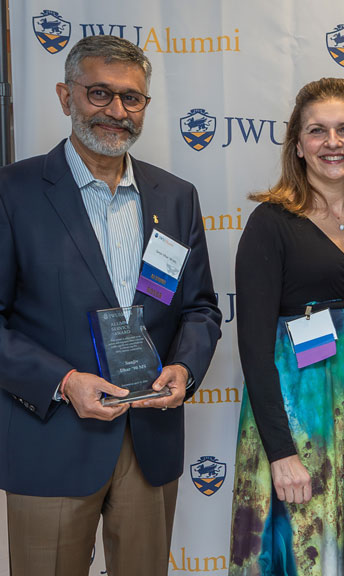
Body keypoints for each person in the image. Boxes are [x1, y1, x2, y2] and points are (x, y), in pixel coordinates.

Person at [0, 35, 222, 575]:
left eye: (132, 98)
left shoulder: (176, 197)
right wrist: (62, 381)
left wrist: (185, 369)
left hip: (148, 437)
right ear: (64, 95)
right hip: (52, 434)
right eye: (99, 93)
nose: (116, 112)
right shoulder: (14, 192)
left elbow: (200, 308)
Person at [229, 78, 344, 576]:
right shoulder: (271, 223)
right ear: (298, 145)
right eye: (318, 131)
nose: (333, 142)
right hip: (299, 422)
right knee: (301, 550)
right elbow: (254, 347)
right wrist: (281, 452)